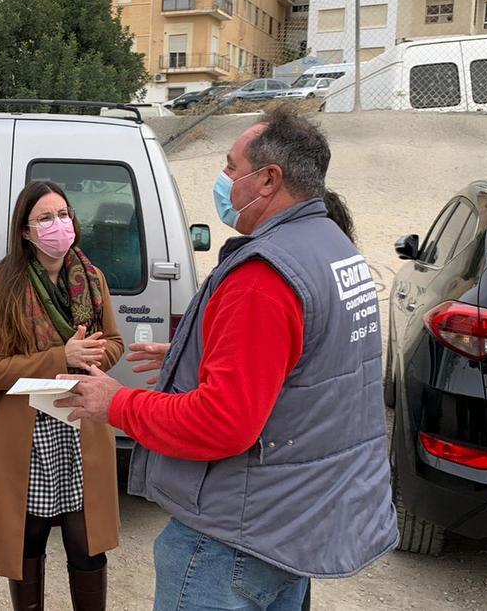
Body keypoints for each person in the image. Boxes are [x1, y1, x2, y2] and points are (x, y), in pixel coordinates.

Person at [56, 105, 397, 610]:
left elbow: (223, 423)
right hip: (299, 518)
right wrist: (202, 352)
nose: (224, 180)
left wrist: (117, 403)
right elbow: (313, 364)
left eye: (232, 167)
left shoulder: (266, 273)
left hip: (237, 535)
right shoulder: (334, 249)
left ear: (269, 179)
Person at [0, 180, 124, 611]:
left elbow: (115, 344)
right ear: (25, 231)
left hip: (81, 424)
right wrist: (61, 356)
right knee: (26, 539)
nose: (58, 225)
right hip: (27, 431)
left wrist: (91, 356)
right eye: (45, 218)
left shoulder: (92, 279)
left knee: (86, 542)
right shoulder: (0, 286)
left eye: (65, 215)